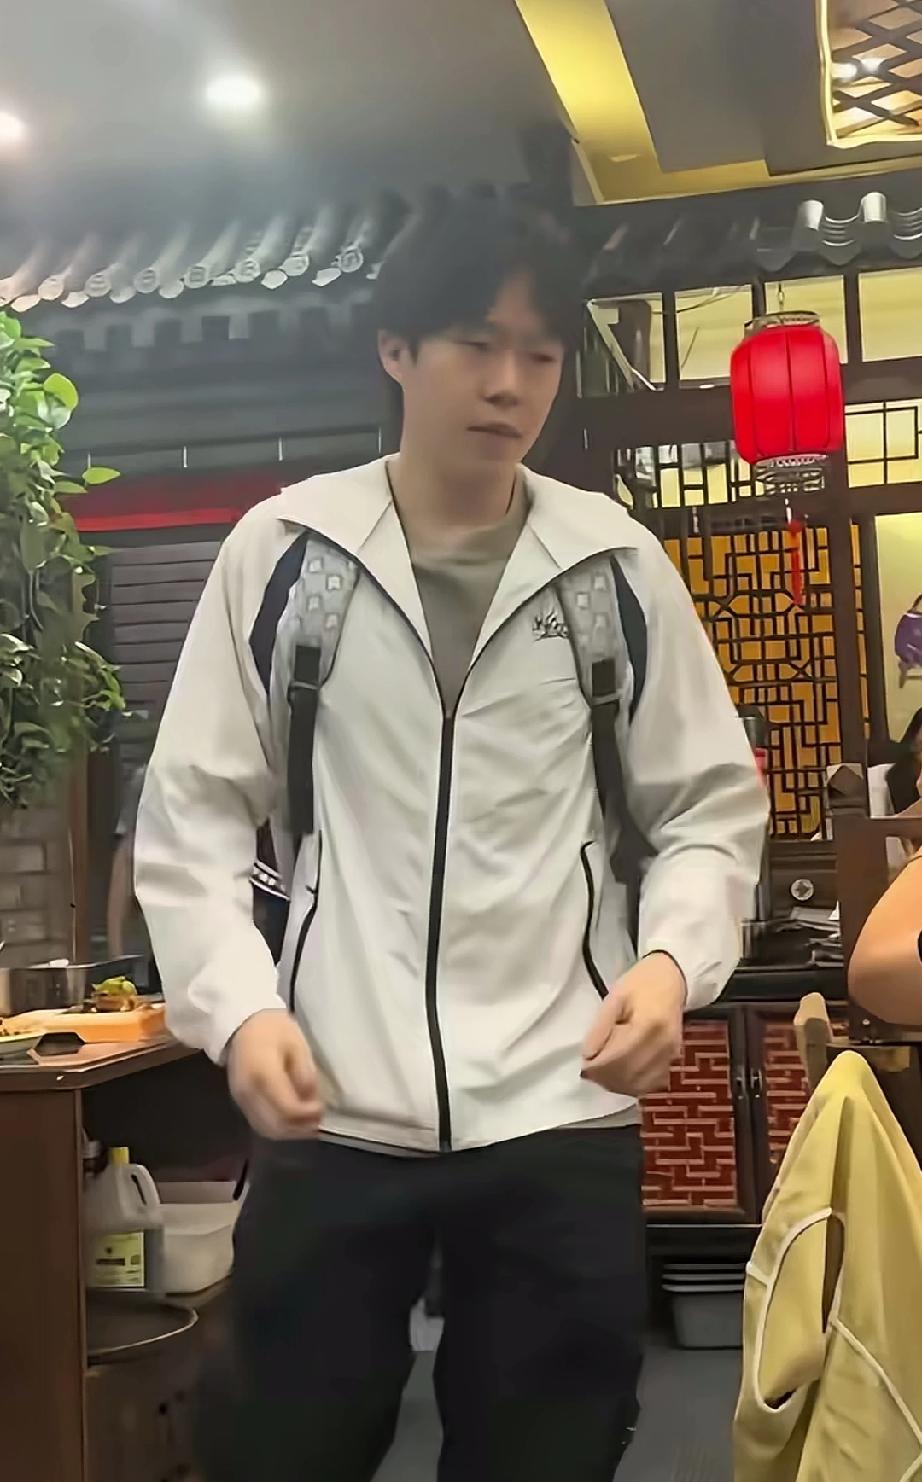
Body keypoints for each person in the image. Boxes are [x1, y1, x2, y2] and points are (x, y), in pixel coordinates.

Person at [135, 196, 767, 1482]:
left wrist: (668, 966)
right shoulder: (287, 555)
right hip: (331, 1098)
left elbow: (705, 807)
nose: (509, 384)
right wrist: (240, 1011)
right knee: (278, 1448)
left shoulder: (614, 568)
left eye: (540, 353)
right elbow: (193, 811)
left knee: (549, 1451)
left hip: (559, 1096)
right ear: (395, 349)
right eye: (476, 343)